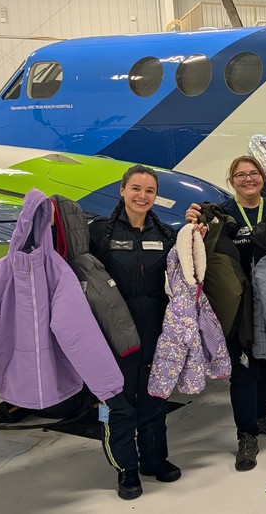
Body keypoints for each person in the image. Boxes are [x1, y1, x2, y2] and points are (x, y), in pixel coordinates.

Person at [184, 156, 266, 473]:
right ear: (231, 180)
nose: (248, 179)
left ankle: (263, 413)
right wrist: (193, 224)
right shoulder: (220, 214)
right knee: (244, 370)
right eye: (241, 174)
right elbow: (196, 251)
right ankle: (246, 434)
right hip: (237, 306)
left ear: (262, 178)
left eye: (254, 173)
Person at [90, 165, 179, 500]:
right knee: (119, 404)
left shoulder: (166, 233)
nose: (142, 196)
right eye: (136, 189)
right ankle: (126, 468)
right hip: (115, 335)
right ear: (122, 190)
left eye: (150, 191)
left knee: (156, 397)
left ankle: (154, 459)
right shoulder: (99, 232)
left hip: (156, 330)